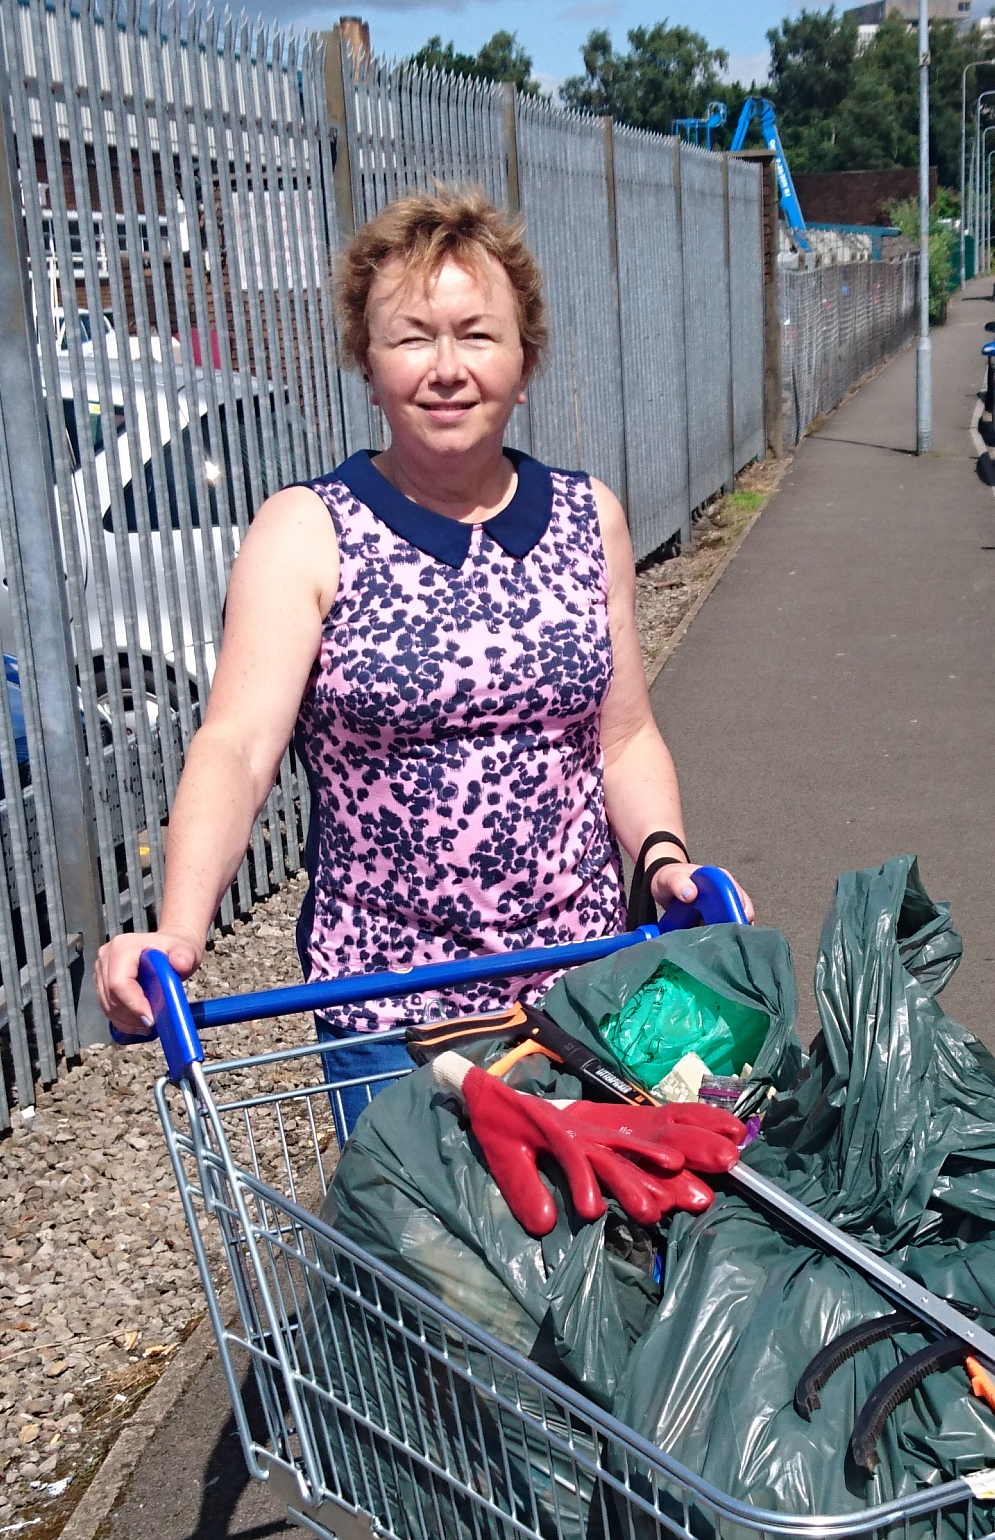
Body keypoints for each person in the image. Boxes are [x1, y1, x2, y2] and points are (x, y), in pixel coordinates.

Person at [94, 185, 750, 1135]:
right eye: (411, 338)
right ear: (368, 366)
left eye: (477, 335)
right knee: (421, 1232)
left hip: (583, 994)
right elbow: (237, 745)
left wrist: (663, 860)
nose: (447, 368)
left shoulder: (587, 518)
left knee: (591, 1226)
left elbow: (624, 737)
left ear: (525, 362)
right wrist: (178, 931)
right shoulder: (307, 532)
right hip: (391, 1012)